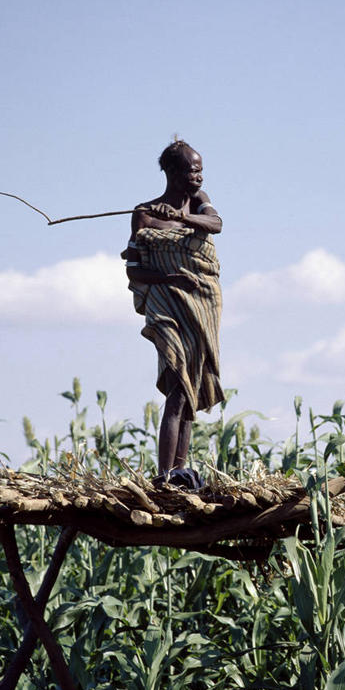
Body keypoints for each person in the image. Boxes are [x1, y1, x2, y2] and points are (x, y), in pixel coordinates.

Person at [123, 140, 224, 483]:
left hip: (202, 305)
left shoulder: (200, 202)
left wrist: (181, 217)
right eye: (191, 170)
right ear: (170, 172)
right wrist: (171, 277)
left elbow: (216, 224)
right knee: (178, 383)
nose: (198, 176)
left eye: (200, 169)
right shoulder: (144, 214)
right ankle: (166, 474)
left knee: (189, 389)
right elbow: (134, 271)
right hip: (167, 306)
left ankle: (177, 470)